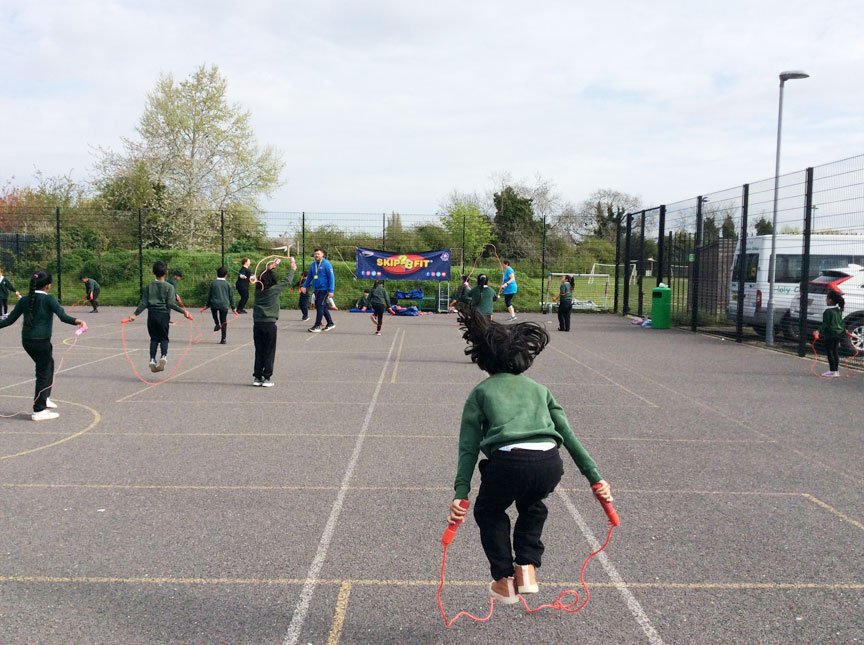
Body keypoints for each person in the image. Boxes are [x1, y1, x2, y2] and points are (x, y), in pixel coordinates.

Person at [447, 306, 613, 603]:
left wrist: (461, 492)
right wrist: (596, 479)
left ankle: (503, 579)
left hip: (508, 462)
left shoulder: (481, 392)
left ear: (484, 358)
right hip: (549, 462)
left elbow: (468, 447)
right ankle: (526, 567)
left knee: (490, 511)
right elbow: (569, 436)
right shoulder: (540, 389)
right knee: (533, 505)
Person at [0, 269, 84, 421]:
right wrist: (78, 321)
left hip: (28, 341)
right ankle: (38, 410)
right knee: (43, 372)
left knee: (48, 365)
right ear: (48, 286)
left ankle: (44, 398)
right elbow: (63, 316)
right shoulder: (49, 299)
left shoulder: (24, 300)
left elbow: (8, 320)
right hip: (41, 342)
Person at [128, 261, 192, 372]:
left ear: (153, 272)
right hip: (163, 315)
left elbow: (144, 303)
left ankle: (152, 359)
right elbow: (171, 304)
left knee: (153, 339)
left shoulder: (149, 286)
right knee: (163, 338)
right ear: (166, 272)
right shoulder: (169, 287)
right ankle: (163, 356)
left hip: (152, 315)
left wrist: (135, 314)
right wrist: (184, 312)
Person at [251, 257, 296, 386]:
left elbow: (261, 277)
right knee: (269, 351)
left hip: (257, 324)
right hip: (269, 324)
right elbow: (287, 281)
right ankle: (267, 378)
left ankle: (257, 377)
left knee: (259, 350)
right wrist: (292, 269)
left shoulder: (258, 291)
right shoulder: (274, 290)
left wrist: (270, 267)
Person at [301, 248, 336, 332]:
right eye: (315, 254)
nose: (316, 255)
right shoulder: (313, 265)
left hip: (324, 289)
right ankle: (330, 323)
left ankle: (317, 326)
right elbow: (309, 277)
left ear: (322, 254)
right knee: (322, 306)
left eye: (318, 254)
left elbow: (331, 278)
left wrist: (331, 290)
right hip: (316, 289)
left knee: (319, 306)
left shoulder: (327, 264)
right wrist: (304, 286)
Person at [813, 290, 846, 378]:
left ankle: (832, 371)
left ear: (831, 300)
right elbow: (841, 322)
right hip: (838, 333)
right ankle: (836, 371)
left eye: (827, 299)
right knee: (835, 351)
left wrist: (818, 331)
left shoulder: (828, 312)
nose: (825, 300)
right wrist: (845, 330)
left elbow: (825, 324)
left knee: (829, 352)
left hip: (830, 334)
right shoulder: (839, 310)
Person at [205, 267, 236, 344]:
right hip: (224, 305)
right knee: (224, 320)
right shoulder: (228, 284)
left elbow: (210, 295)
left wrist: (207, 305)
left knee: (214, 313)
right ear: (226, 275)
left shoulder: (213, 283)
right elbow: (231, 296)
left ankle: (216, 323)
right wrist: (233, 307)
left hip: (214, 304)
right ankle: (223, 338)